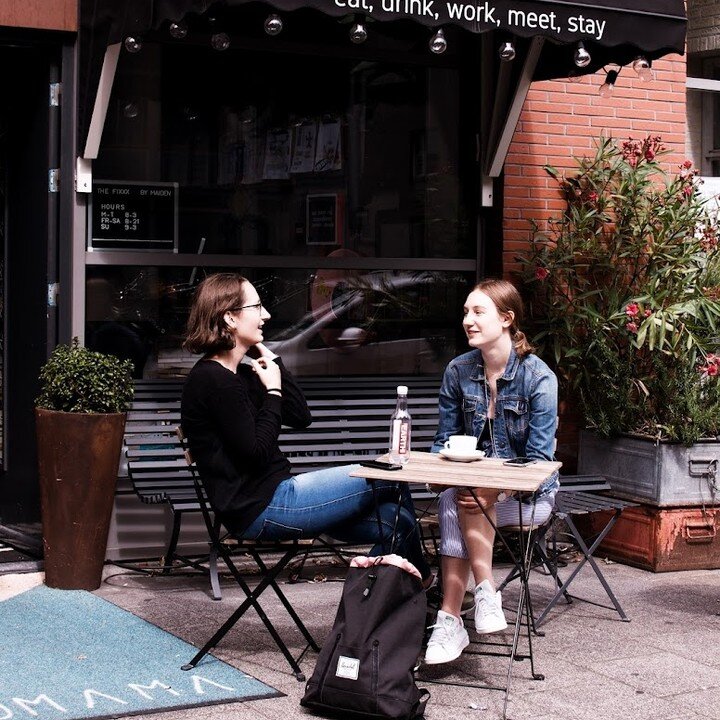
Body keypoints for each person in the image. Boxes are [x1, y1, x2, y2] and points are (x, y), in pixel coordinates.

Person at [180, 273, 432, 584]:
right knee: (390, 474)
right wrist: (272, 392)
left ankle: (390, 594)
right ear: (230, 317)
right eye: (257, 307)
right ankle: (422, 585)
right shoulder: (213, 380)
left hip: (281, 498)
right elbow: (255, 452)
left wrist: (274, 364)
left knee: (399, 521)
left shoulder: (242, 375)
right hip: (264, 508)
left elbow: (300, 416)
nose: (267, 315)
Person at [424, 278, 558, 665]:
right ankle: (482, 597)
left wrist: (495, 491)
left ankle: (452, 619)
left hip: (529, 498)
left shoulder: (539, 378)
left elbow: (540, 465)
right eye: (466, 311)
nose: (468, 319)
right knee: (459, 496)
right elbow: (443, 441)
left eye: (478, 311)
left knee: (467, 498)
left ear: (506, 319)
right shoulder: (458, 371)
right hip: (471, 496)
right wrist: (439, 472)